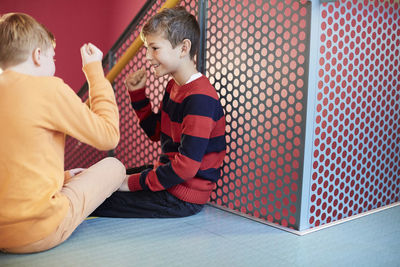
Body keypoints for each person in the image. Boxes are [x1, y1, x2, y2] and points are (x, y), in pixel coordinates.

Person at [0, 13, 126, 254]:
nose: (53, 65)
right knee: (114, 165)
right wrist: (94, 71)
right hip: (37, 232)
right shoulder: (50, 88)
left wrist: (65, 176)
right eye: (52, 57)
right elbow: (109, 135)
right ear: (38, 55)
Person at [92, 7, 226, 218]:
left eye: (154, 48)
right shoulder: (173, 86)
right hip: (168, 178)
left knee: (96, 199)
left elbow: (186, 168)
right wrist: (138, 95)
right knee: (101, 176)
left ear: (183, 48)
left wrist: (130, 183)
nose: (147, 56)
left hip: (182, 196)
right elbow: (156, 132)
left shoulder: (200, 99)